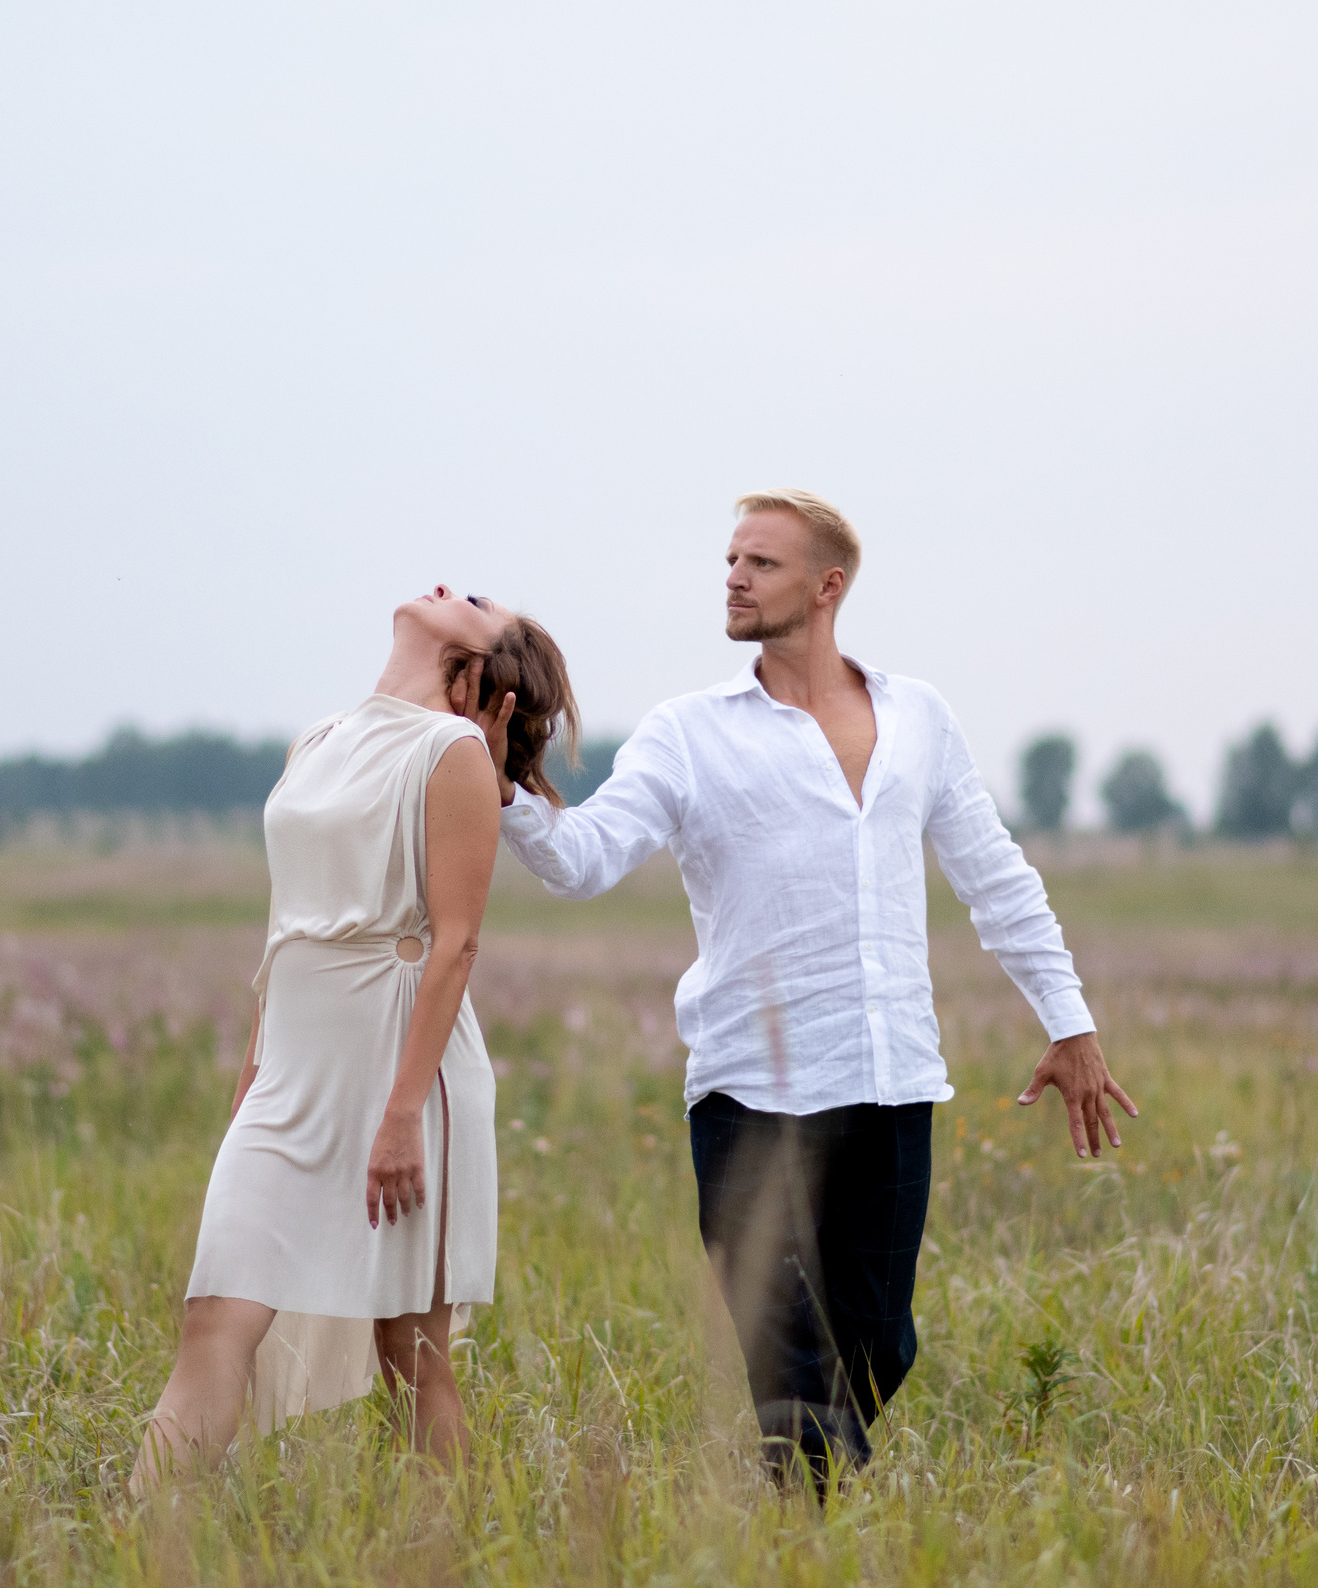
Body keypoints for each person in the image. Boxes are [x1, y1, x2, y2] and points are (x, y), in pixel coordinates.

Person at [486, 489, 1138, 1490]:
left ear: (827, 588)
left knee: (882, 1347)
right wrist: (502, 775)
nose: (735, 579)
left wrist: (1071, 1024)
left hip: (889, 1081)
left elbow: (995, 879)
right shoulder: (687, 732)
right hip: (749, 1088)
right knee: (780, 1352)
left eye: (762, 564)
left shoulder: (918, 716)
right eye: (732, 560)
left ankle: (797, 1503)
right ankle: (802, 1550)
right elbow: (582, 860)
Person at [131, 587, 579, 1491]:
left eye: (481, 598)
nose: (453, 587)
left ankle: (460, 1553)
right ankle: (142, 1540)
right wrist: (255, 1069)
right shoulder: (320, 741)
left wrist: (402, 1114)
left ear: (485, 667)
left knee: (409, 1344)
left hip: (402, 1068)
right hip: (293, 1069)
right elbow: (284, 927)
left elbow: (456, 942)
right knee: (216, 1311)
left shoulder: (450, 749)